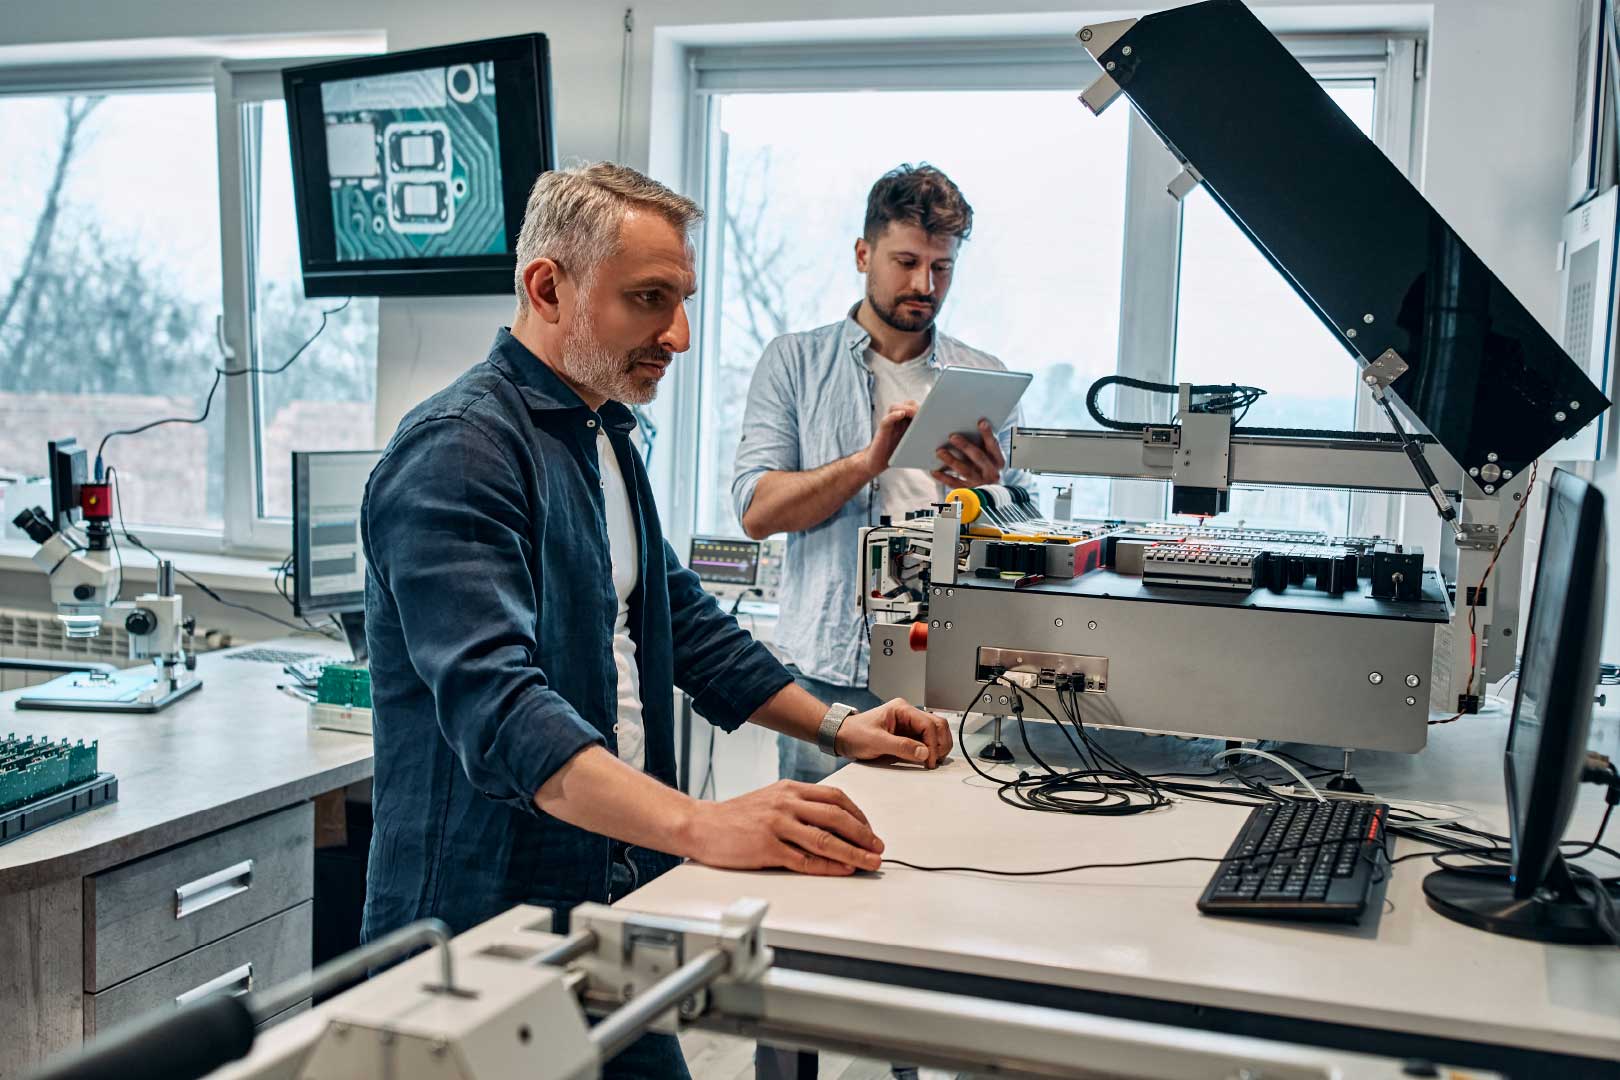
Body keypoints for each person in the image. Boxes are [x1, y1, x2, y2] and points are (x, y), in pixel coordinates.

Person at [360, 162, 954, 1080]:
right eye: (648, 300)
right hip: (484, 927)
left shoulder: (599, 431)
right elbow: (504, 714)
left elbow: (682, 623)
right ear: (547, 287)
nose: (677, 335)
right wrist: (704, 824)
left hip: (609, 896)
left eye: (681, 300)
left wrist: (840, 726)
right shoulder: (460, 452)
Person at [733, 163, 1024, 786]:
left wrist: (985, 497)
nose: (925, 283)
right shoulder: (793, 363)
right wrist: (869, 464)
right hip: (824, 676)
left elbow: (1031, 537)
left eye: (942, 267)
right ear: (863, 253)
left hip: (946, 675)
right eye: (906, 261)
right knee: (816, 856)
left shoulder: (985, 379)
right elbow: (757, 511)